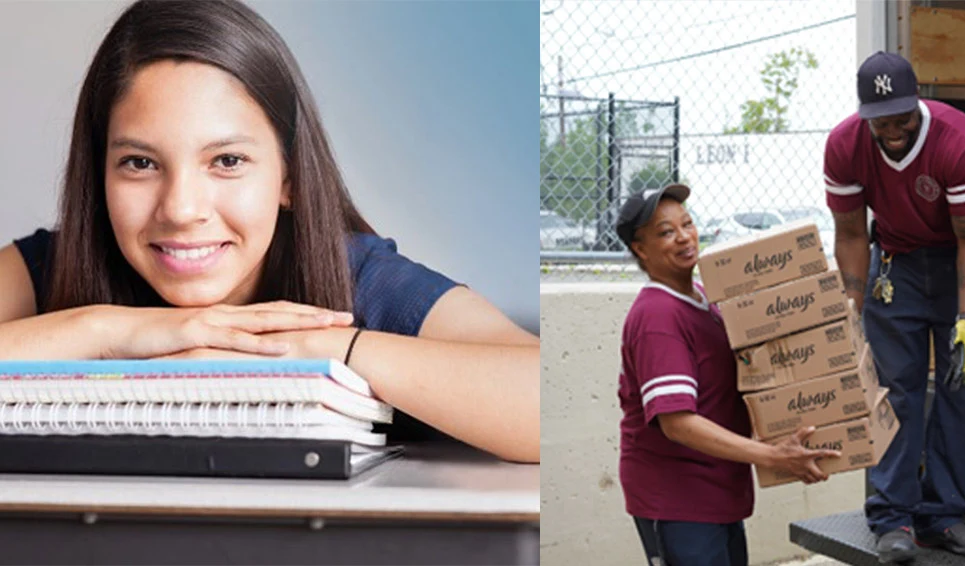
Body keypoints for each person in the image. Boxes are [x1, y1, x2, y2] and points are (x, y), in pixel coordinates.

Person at [0, 0, 538, 464]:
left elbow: (542, 398)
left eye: (227, 160)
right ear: (99, 175)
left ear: (290, 177)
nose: (182, 209)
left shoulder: (361, 280)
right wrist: (106, 333)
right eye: (140, 163)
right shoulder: (53, 266)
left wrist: (313, 348)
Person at [825, 51, 965, 562]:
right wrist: (853, 306)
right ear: (865, 115)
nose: (894, 129)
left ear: (918, 100)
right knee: (894, 393)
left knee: (961, 390)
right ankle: (891, 519)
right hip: (896, 268)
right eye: (882, 120)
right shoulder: (844, 144)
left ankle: (943, 517)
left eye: (903, 117)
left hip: (960, 266)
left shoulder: (958, 137)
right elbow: (851, 232)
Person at [615, 183, 842, 566]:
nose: (684, 237)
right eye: (666, 232)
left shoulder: (704, 300)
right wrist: (772, 455)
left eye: (687, 224)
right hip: (678, 500)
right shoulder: (658, 316)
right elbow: (677, 423)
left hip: (716, 494)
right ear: (640, 249)